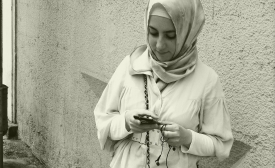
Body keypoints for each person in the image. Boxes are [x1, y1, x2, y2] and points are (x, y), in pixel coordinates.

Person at [94, 0, 234, 167]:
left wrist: (188, 138)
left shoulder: (207, 80)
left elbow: (221, 145)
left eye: (170, 35)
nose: (159, 45)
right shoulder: (130, 65)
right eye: (153, 33)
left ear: (187, 32)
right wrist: (125, 122)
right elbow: (103, 121)